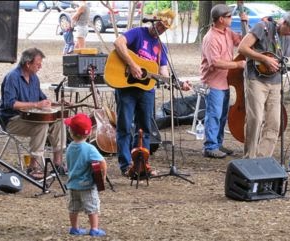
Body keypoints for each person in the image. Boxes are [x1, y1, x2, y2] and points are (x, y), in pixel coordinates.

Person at [113, 9, 191, 177]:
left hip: (146, 90)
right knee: (125, 126)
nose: (161, 29)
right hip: (126, 87)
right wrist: (133, 65)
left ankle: (141, 164)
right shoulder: (137, 33)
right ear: (154, 21)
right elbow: (118, 43)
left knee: (145, 128)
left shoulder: (161, 47)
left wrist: (178, 84)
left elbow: (163, 73)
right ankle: (126, 165)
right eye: (160, 25)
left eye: (164, 28)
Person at [238, 11, 290, 159]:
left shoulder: (288, 38)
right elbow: (242, 48)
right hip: (255, 80)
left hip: (275, 82)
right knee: (255, 119)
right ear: (284, 23)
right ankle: (250, 158)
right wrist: (263, 58)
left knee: (274, 122)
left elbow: (280, 62)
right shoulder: (263, 27)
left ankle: (263, 159)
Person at [0, 48, 67, 179]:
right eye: (38, 64)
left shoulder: (34, 78)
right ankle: (32, 168)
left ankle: (57, 163)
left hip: (30, 117)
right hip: (12, 120)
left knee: (59, 120)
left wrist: (57, 103)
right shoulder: (12, 77)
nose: (40, 66)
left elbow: (42, 100)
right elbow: (10, 104)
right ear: (28, 64)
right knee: (40, 126)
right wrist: (35, 105)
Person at [200, 4, 247, 158]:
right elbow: (215, 62)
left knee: (221, 115)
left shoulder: (227, 32)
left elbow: (242, 42)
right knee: (214, 114)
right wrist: (237, 64)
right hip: (213, 82)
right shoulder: (210, 38)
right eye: (229, 16)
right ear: (221, 19)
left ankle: (217, 144)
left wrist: (244, 22)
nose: (231, 18)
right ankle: (210, 147)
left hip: (225, 81)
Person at [64, 113, 107, 237]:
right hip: (87, 185)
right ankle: (94, 229)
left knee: (73, 208)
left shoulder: (70, 147)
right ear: (88, 133)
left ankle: (74, 228)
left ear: (71, 132)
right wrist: (102, 177)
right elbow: (102, 162)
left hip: (72, 184)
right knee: (92, 207)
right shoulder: (89, 148)